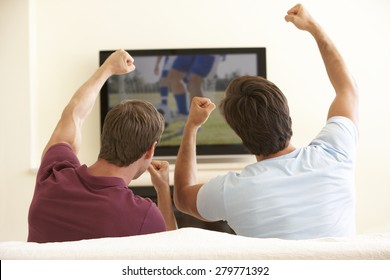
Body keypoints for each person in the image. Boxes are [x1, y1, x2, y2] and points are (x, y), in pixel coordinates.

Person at [174, 4, 359, 240]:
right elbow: (347, 89)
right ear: (286, 113)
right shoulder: (335, 153)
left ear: (240, 135)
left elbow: (181, 196)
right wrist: (314, 28)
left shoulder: (231, 192)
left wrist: (191, 127)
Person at [28, 49, 177, 243]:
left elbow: (74, 114)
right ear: (150, 150)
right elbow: (173, 254)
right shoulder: (144, 215)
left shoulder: (52, 177)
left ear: (106, 135)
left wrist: (107, 69)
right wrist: (163, 189)